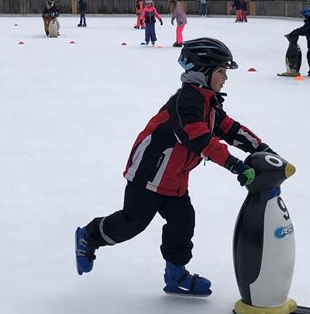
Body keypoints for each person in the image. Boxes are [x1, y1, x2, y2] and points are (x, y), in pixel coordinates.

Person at [75, 38, 277, 296]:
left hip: (174, 177)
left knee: (183, 221)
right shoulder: (187, 103)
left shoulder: (208, 102)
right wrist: (235, 165)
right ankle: (89, 236)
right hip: (149, 173)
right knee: (133, 222)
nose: (226, 78)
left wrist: (260, 148)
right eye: (221, 72)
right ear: (204, 72)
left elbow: (228, 129)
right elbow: (200, 139)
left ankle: (175, 275)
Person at [288, 7, 310, 76]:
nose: (303, 17)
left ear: (307, 15)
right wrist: (295, 32)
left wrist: (294, 33)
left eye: (303, 16)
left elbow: (304, 30)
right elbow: (305, 31)